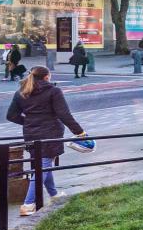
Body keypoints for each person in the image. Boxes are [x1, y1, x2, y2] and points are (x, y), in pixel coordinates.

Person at [5, 65, 87, 215]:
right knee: (43, 166)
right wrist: (79, 132)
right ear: (47, 77)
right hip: (50, 133)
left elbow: (11, 115)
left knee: (43, 164)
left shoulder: (21, 92)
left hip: (31, 134)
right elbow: (64, 114)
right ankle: (28, 204)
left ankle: (54, 195)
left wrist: (29, 122)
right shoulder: (53, 91)